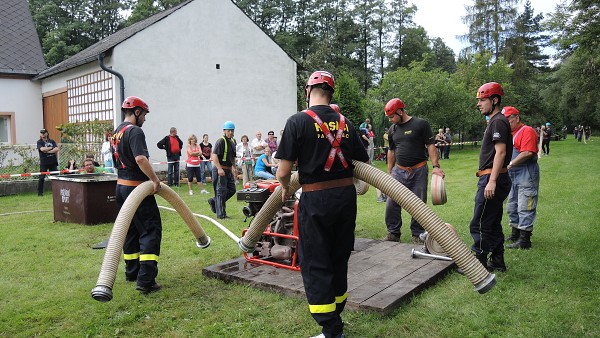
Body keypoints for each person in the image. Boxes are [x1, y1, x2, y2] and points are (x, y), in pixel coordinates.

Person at [275, 70, 369, 338]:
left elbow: (283, 172)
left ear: (307, 91)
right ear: (331, 92)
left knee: (315, 260)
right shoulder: (346, 123)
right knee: (338, 256)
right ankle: (336, 316)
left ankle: (331, 330)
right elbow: (363, 164)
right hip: (345, 199)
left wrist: (284, 188)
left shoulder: (297, 121)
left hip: (316, 199)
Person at [112, 96, 162, 294]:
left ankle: (132, 272)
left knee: (131, 230)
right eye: (145, 114)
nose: (145, 119)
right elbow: (140, 159)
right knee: (151, 230)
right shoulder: (135, 131)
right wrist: (155, 181)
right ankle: (146, 280)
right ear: (137, 112)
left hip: (121, 188)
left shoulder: (117, 132)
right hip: (136, 188)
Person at [383, 98, 445, 244]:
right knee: (391, 202)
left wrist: (436, 167)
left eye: (392, 116)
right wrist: (390, 171)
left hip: (419, 170)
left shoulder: (420, 124)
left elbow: (431, 146)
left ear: (400, 111)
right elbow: (391, 151)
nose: (391, 120)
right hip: (399, 171)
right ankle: (393, 233)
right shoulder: (393, 130)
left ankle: (417, 234)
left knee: (418, 204)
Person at [469, 82, 513, 272]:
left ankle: (478, 265)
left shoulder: (497, 121)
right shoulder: (497, 121)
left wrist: (492, 181)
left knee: (479, 223)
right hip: (497, 178)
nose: (479, 104)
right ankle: (497, 261)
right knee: (493, 222)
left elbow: (501, 153)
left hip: (492, 178)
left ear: (494, 100)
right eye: (478, 100)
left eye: (482, 100)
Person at [503, 106, 539, 250]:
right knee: (512, 205)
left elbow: (527, 153)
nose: (505, 123)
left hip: (526, 173)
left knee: (525, 205)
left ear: (516, 118)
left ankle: (524, 240)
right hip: (512, 175)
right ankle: (515, 233)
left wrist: (510, 164)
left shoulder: (527, 131)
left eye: (507, 120)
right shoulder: (510, 134)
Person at [208, 121, 237, 219]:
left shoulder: (233, 141)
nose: (231, 132)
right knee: (221, 191)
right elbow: (214, 155)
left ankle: (214, 201)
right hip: (220, 170)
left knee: (232, 190)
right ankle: (221, 215)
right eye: (229, 130)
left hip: (228, 170)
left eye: (232, 130)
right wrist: (219, 168)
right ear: (224, 131)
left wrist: (234, 167)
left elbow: (232, 157)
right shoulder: (220, 141)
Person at [36, 128, 59, 196]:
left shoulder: (52, 141)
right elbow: (42, 149)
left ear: (47, 133)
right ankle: (40, 193)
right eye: (41, 133)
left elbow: (57, 149)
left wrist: (48, 151)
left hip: (53, 162)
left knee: (56, 177)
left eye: (44, 133)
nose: (43, 134)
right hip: (44, 163)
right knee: (42, 178)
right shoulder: (39, 142)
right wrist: (51, 148)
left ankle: (57, 192)